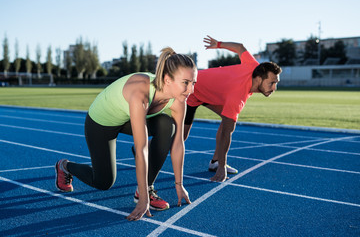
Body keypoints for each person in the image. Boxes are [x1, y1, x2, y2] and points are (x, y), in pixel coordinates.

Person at [55, 47, 197, 221]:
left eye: (193, 83)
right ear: (167, 79)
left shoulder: (179, 101)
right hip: (102, 121)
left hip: (128, 119)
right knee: (103, 182)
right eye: (185, 83)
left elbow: (177, 144)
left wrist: (179, 184)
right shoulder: (140, 94)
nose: (191, 90)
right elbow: (142, 148)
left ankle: (145, 188)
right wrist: (144, 201)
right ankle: (65, 166)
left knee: (168, 127)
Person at [184, 36, 282, 182]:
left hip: (207, 93)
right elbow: (226, 134)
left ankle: (215, 161)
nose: (274, 88)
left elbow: (240, 47)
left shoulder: (254, 66)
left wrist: (218, 44)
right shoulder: (238, 96)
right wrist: (222, 169)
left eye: (276, 83)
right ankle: (147, 149)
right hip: (190, 90)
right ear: (259, 79)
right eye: (271, 83)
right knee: (180, 137)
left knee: (227, 119)